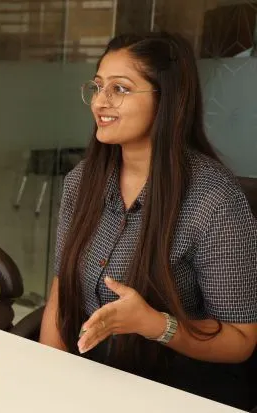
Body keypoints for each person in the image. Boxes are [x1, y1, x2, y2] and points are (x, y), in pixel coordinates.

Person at [39, 32, 257, 409]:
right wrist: (44, 378)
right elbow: (62, 290)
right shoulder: (82, 180)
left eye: (120, 89)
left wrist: (154, 323)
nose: (100, 102)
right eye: (98, 86)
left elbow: (241, 339)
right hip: (94, 377)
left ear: (167, 99)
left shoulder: (213, 198)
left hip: (178, 388)